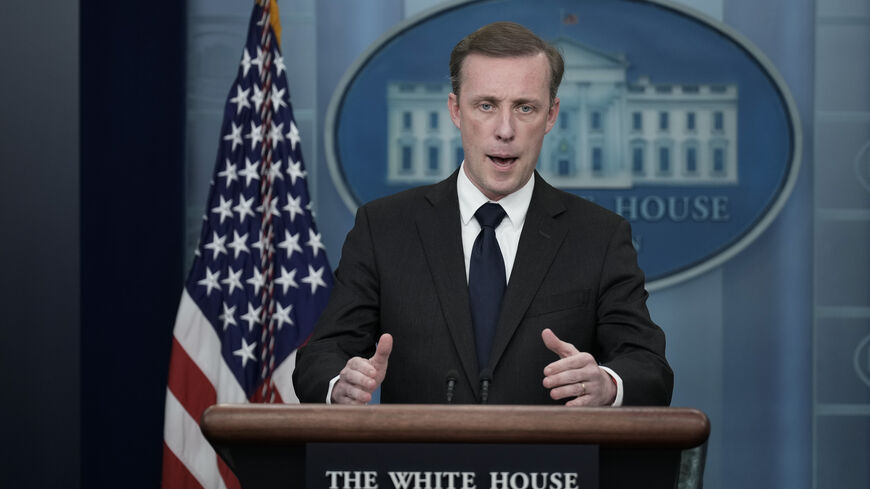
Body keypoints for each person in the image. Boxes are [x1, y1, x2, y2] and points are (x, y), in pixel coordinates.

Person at [293, 21, 672, 406]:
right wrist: (340, 383)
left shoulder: (599, 237)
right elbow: (320, 357)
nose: (504, 130)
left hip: (550, 463)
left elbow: (648, 366)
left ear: (551, 115)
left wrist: (606, 384)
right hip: (418, 462)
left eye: (525, 107)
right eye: (486, 106)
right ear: (456, 110)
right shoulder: (384, 228)